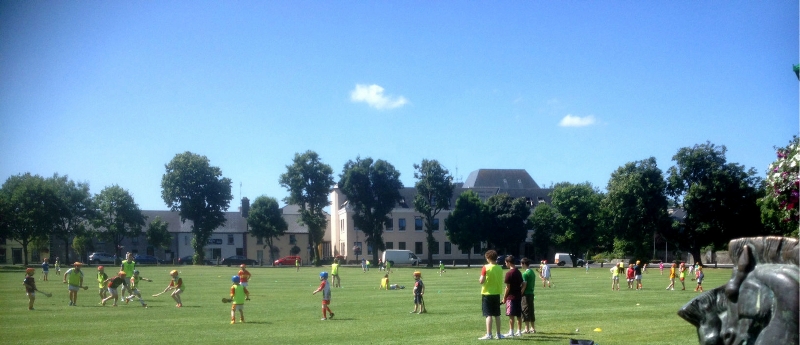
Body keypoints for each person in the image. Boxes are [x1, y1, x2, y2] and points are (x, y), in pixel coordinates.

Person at [479, 250, 505, 340]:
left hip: (487, 293)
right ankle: (498, 334)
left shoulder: (485, 267)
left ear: (488, 258)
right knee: (497, 314)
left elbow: (481, 281)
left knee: (488, 314)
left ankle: (489, 334)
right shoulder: (499, 268)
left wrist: (481, 280)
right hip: (496, 293)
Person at [502, 255, 523, 337]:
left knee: (511, 315)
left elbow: (508, 287)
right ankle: (519, 331)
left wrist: (504, 298)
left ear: (509, 262)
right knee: (518, 315)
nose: (505, 264)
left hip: (511, 297)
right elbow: (521, 283)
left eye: (506, 262)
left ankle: (511, 331)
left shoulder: (509, 273)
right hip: (518, 296)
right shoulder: (518, 272)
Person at [520, 258, 536, 334]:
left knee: (525, 310)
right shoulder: (532, 272)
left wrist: (521, 292)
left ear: (524, 264)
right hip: (531, 293)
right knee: (531, 310)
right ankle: (533, 328)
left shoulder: (525, 274)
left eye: (521, 264)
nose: (520, 265)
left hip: (526, 294)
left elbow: (524, 285)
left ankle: (527, 329)